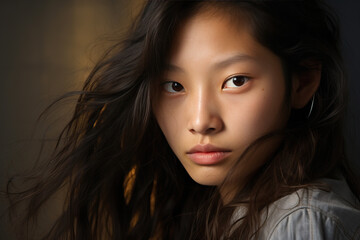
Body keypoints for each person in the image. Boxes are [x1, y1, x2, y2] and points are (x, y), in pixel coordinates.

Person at [6, 0, 360, 239]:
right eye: (174, 86)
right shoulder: (215, 210)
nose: (200, 120)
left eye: (235, 81)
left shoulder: (303, 223)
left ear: (303, 81)